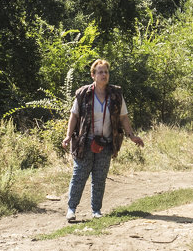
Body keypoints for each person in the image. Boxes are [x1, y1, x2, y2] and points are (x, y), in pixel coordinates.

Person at [61, 58, 144, 221]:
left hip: (106, 143)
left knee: (99, 178)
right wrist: (68, 136)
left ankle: (96, 210)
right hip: (85, 143)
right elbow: (74, 116)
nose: (104, 75)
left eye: (106, 72)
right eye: (100, 72)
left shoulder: (116, 94)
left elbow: (124, 117)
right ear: (93, 75)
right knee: (79, 176)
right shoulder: (83, 93)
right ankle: (71, 209)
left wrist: (131, 135)